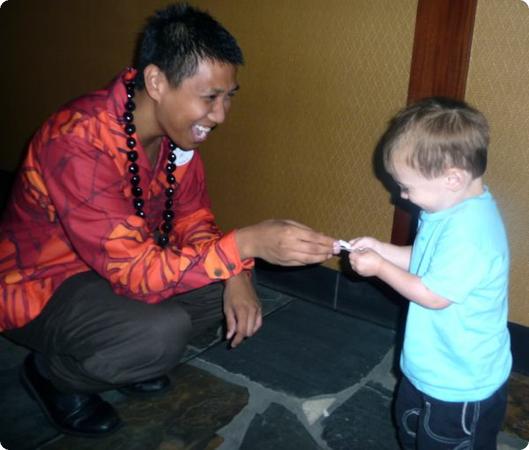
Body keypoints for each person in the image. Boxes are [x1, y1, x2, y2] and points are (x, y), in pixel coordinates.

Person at [0, 3, 337, 437]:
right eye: (209, 97)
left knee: (222, 285)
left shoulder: (174, 137)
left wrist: (237, 272)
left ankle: (120, 354)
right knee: (159, 335)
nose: (220, 115)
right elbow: (136, 271)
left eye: (228, 97)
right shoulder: (77, 142)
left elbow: (193, 218)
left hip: (115, 268)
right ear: (157, 81)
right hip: (42, 284)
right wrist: (246, 245)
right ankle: (56, 376)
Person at [347, 97, 511, 450]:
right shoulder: (446, 209)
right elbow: (424, 259)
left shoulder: (471, 234)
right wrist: (380, 249)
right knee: (414, 434)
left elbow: (433, 295)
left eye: (407, 187)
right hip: (434, 366)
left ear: (452, 179)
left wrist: (379, 268)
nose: (401, 196)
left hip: (462, 384)